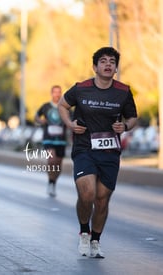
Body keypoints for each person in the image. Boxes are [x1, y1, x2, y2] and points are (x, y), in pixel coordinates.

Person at [57, 46, 137, 258]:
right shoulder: (81, 88)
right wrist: (70, 124)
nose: (108, 64)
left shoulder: (123, 91)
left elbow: (132, 117)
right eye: (103, 61)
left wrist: (126, 127)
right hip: (84, 149)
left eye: (112, 61)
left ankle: (95, 240)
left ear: (116, 68)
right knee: (87, 193)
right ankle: (84, 231)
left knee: (102, 199)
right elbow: (62, 105)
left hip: (110, 152)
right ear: (95, 67)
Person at [34, 85, 67, 197]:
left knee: (58, 164)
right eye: (55, 92)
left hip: (61, 140)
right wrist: (41, 121)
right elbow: (36, 117)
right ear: (51, 93)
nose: (57, 94)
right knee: (52, 160)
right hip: (48, 138)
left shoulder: (65, 106)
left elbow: (71, 120)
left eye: (59, 92)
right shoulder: (46, 106)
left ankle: (53, 182)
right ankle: (50, 182)